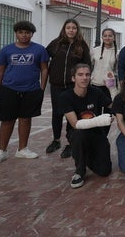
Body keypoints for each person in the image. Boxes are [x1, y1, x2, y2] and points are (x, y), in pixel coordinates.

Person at [0, 21, 49, 166]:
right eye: (21, 32)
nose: (24, 35)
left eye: (27, 32)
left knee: (26, 119)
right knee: (7, 120)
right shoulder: (6, 50)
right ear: (16, 33)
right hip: (8, 89)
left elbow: (44, 69)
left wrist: (42, 87)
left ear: (32, 34)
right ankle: (1, 151)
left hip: (31, 90)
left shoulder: (40, 50)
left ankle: (22, 149)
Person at [59, 64, 113, 188]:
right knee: (80, 133)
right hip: (77, 134)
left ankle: (85, 155)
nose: (84, 78)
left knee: (104, 171)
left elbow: (113, 106)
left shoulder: (96, 92)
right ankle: (79, 171)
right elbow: (75, 124)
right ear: (73, 78)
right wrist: (101, 120)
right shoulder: (65, 97)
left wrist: (114, 89)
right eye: (80, 75)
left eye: (87, 75)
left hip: (97, 134)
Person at [45, 18, 91, 158]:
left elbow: (87, 64)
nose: (71, 30)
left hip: (73, 86)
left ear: (77, 30)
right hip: (57, 85)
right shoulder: (56, 44)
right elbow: (44, 58)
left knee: (74, 114)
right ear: (64, 29)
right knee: (57, 113)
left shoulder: (81, 45)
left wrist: (84, 81)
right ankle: (56, 140)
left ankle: (71, 143)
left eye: (74, 28)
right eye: (68, 28)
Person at [91, 28, 119, 102]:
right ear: (102, 37)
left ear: (114, 37)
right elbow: (89, 65)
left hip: (110, 86)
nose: (107, 38)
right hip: (95, 83)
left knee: (109, 108)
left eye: (110, 36)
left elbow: (118, 70)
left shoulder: (118, 53)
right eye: (105, 36)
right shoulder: (95, 50)